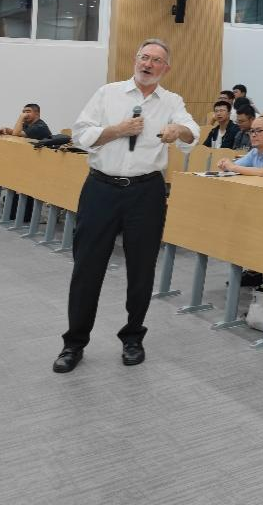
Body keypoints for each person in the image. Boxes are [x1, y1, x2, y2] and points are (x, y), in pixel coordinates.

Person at [54, 39, 199, 374]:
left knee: (142, 268)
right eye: (144, 57)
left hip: (146, 192)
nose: (148, 64)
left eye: (156, 60)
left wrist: (178, 130)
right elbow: (80, 134)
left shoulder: (172, 101)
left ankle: (133, 337)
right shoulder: (108, 93)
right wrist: (116, 130)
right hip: (101, 188)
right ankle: (74, 343)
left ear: (165, 68)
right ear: (136, 60)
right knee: (87, 267)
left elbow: (192, 132)